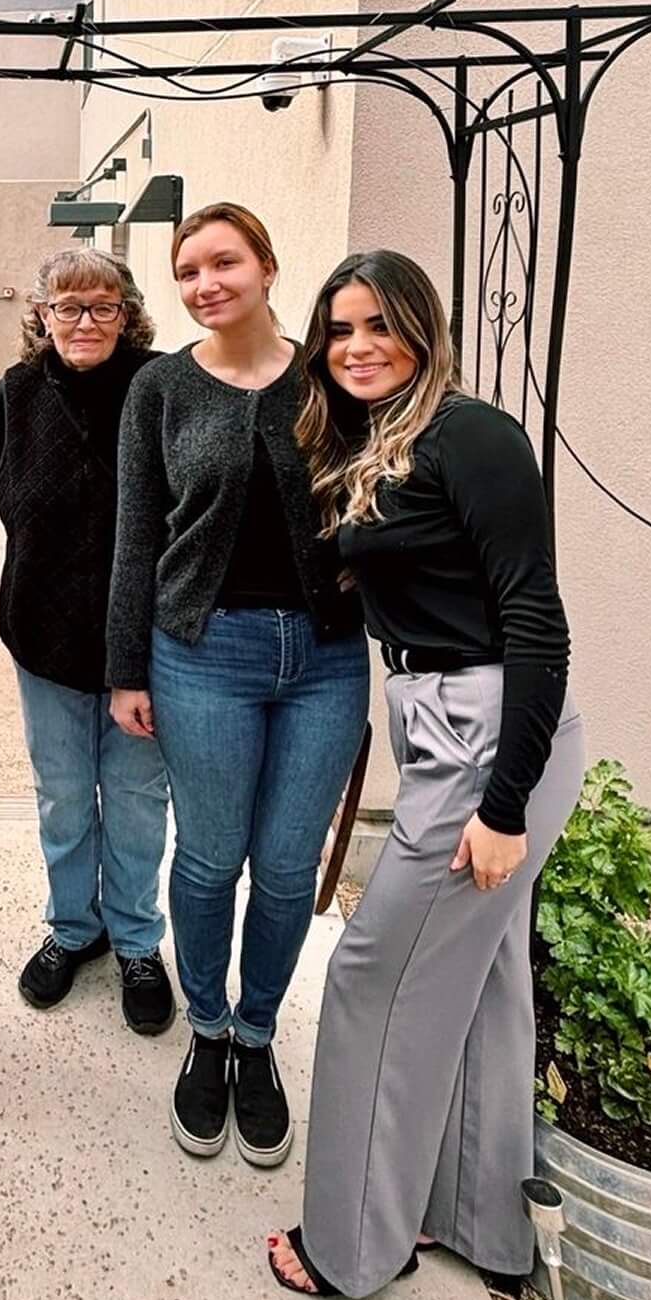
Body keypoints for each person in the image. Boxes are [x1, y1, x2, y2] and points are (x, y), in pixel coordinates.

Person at [266, 248, 586, 1300]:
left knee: (372, 978)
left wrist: (503, 806)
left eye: (379, 325)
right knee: (480, 978)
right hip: (442, 717)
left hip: (489, 736)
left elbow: (536, 615)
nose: (356, 347)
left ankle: (352, 1244)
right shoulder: (376, 440)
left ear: (423, 328)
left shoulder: (472, 434)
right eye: (339, 330)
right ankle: (479, 1220)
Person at [107, 204, 369, 1169]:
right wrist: (125, 669)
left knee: (290, 867)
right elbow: (138, 531)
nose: (205, 284)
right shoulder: (161, 388)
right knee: (212, 858)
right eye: (188, 271)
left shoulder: (330, 377)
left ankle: (258, 1036)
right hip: (202, 654)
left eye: (223, 263)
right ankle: (208, 1030)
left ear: (266, 266)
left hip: (326, 659)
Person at [0, 246, 174, 1034]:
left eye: (102, 306)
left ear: (127, 314)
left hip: (144, 645)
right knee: (63, 795)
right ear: (42, 315)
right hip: (43, 636)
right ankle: (74, 928)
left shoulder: (160, 386)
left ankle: (137, 941)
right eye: (67, 306)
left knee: (137, 799)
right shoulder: (16, 393)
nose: (85, 321)